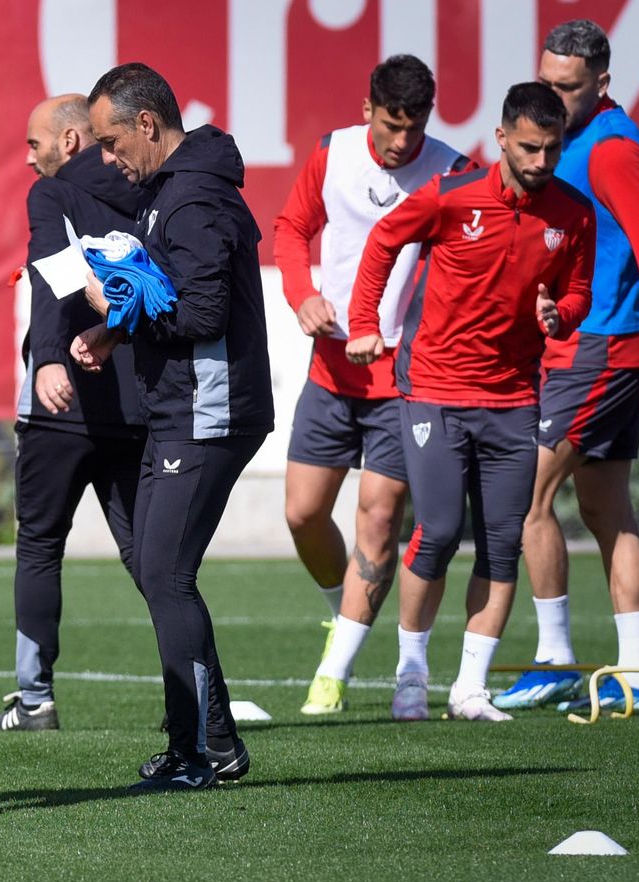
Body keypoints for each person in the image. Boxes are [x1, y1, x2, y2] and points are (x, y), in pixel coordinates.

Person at [346, 82, 594, 723]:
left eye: (554, 150)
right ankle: (410, 677)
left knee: (503, 541)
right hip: (433, 391)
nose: (543, 162)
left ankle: (469, 688)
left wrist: (558, 315)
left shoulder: (573, 213)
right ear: (503, 138)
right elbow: (381, 243)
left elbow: (579, 294)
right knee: (438, 532)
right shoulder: (452, 198)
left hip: (513, 398)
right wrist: (363, 322)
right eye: (531, 148)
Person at [73, 62, 273, 789]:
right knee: (159, 573)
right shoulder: (169, 192)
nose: (105, 155)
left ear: (147, 124)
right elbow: (173, 301)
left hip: (209, 410)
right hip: (181, 407)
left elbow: (201, 316)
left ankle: (203, 750)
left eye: (109, 139)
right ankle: (206, 743)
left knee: (165, 572)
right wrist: (116, 331)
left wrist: (110, 302)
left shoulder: (190, 199)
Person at [497, 19, 639, 713]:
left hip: (606, 350)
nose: (550, 95)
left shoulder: (611, 151)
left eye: (566, 87)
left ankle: (554, 661)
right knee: (607, 506)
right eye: (544, 80)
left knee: (527, 496)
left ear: (601, 85)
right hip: (586, 342)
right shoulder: (565, 140)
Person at [273, 55, 473, 716]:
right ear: (368, 111)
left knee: (380, 519)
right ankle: (345, 611)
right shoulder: (331, 154)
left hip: (404, 376)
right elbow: (291, 229)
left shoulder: (451, 170)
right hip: (330, 369)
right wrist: (302, 295)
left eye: (413, 130)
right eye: (391, 127)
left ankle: (333, 674)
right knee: (303, 513)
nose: (401, 143)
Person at [0, 94, 149, 732]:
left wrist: (52, 356)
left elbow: (51, 271)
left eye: (34, 145)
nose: (28, 159)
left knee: (38, 546)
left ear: (70, 142)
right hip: (138, 399)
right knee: (151, 555)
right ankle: (197, 686)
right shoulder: (150, 191)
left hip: (61, 403)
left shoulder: (53, 195)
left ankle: (34, 700)